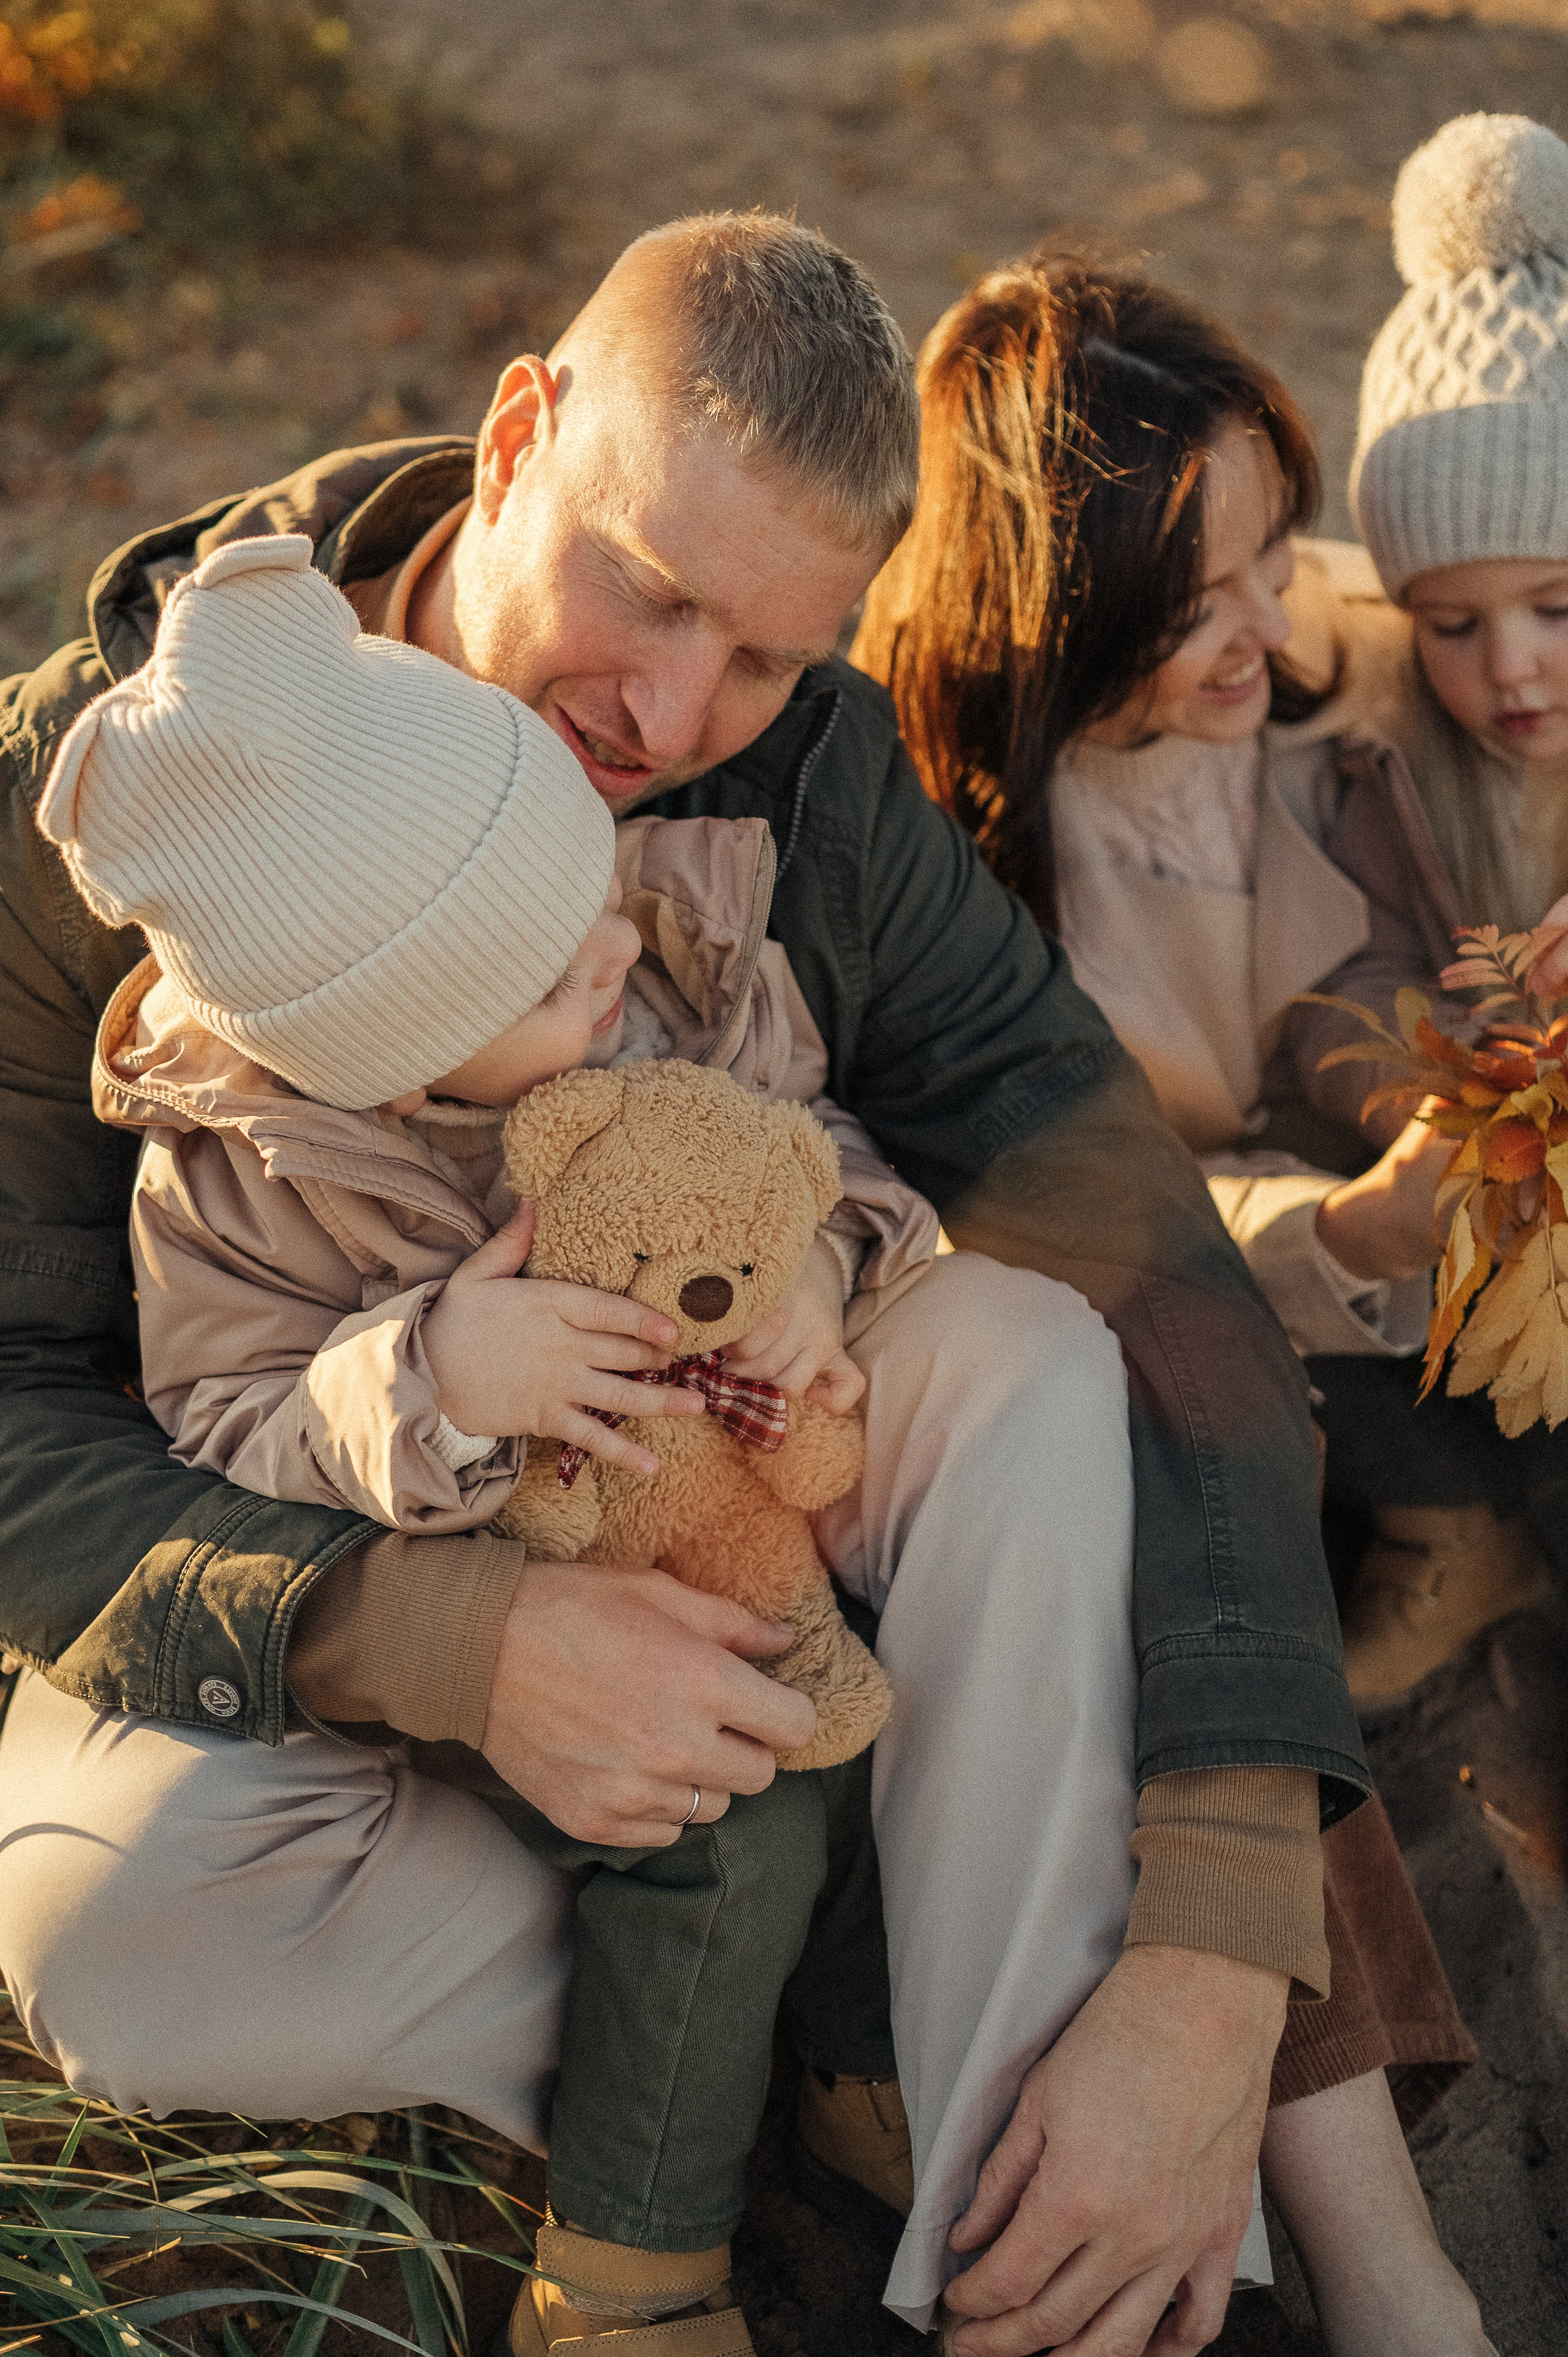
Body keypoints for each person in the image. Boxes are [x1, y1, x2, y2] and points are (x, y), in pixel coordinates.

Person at [0, 214, 1367, 2357]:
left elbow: (1141, 1242)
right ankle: (794, 2033)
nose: (666, 713)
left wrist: (1213, 1933)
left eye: (760, 658)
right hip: (304, 1571)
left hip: (728, 1521)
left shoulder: (799, 781)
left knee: (1027, 1352)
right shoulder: (125, 806)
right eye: (643, 587)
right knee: (116, 1934)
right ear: (518, 435)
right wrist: (445, 1638)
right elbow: (15, 1413)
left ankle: (1005, 2212)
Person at [853, 251, 1488, 2355]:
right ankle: (1393, 2272)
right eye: (1198, 602)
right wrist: (1343, 1234)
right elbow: (1059, 1227)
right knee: (1177, 1549)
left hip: (1395, 1361)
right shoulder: (930, 848)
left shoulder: (1356, 685)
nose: (1273, 629)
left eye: (1274, 556)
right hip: (1187, 1361)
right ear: (1058, 616)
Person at [1261, 110, 1568, 1704]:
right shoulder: (1381, 752)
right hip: (1480, 1198)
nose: (1510, 667)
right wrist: (1430, 1084)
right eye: (1454, 623)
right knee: (1334, 1281)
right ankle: (1452, 1532)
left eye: (1559, 608)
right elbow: (1342, 980)